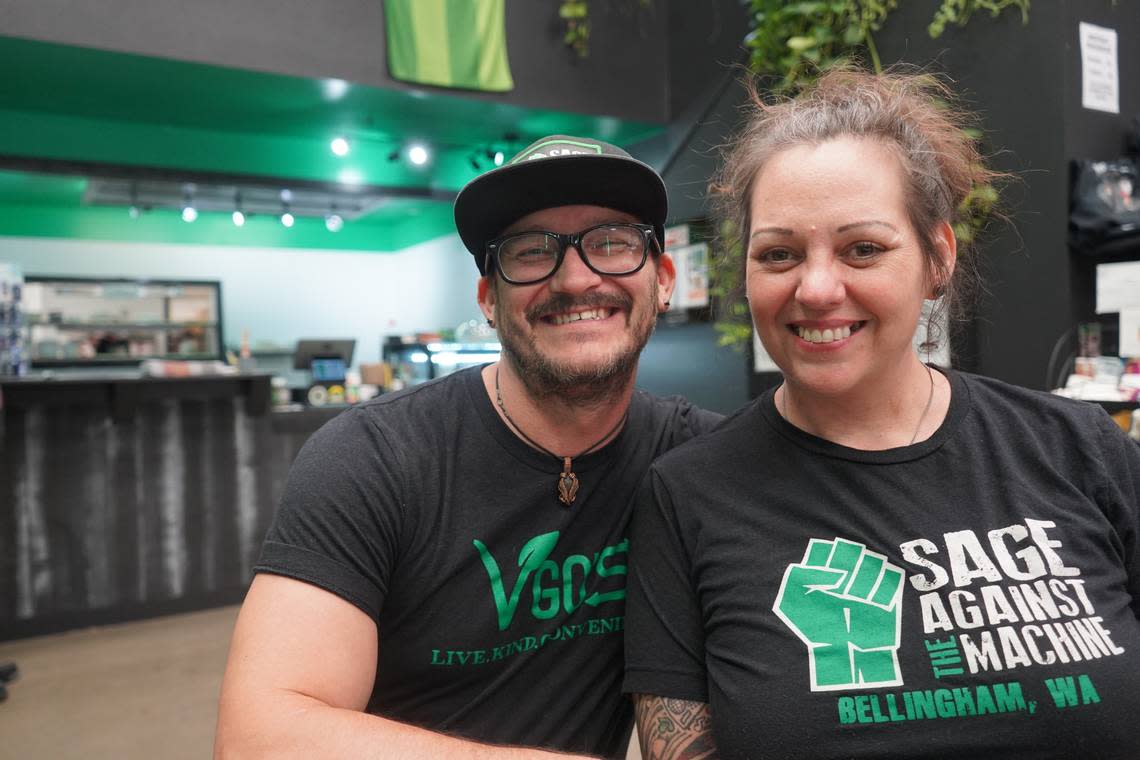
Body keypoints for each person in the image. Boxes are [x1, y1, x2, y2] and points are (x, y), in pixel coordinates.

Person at [624, 67, 1140, 759]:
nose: (815, 287)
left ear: (937, 257)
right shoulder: (688, 497)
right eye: (778, 254)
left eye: (862, 248)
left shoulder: (1078, 447)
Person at [214, 134, 722, 759]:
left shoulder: (695, 461)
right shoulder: (374, 458)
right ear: (488, 300)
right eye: (531, 252)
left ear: (663, 280)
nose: (575, 277)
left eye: (611, 243)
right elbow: (258, 739)